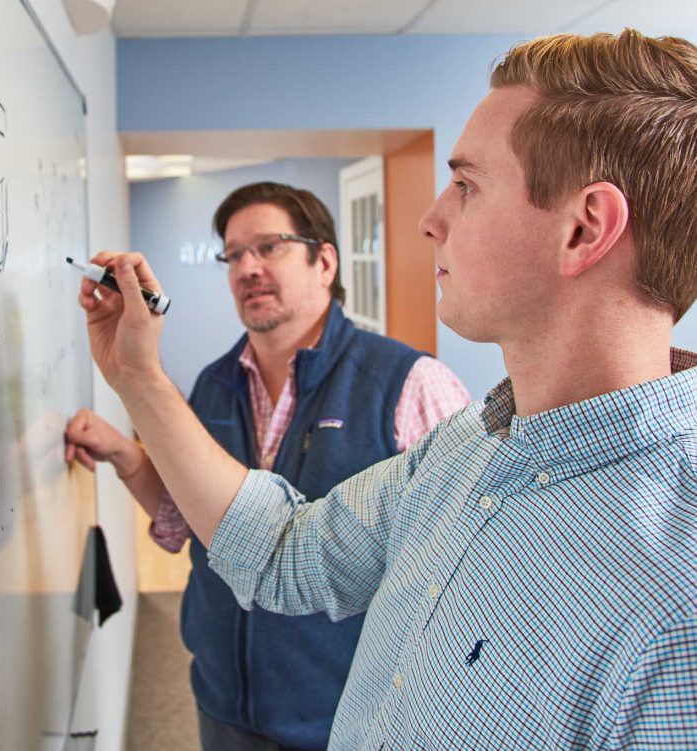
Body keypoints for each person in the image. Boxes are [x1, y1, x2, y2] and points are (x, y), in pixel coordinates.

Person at [76, 30, 697, 750]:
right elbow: (283, 552)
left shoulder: (675, 597)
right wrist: (137, 378)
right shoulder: (471, 443)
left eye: (466, 185)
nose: (432, 219)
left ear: (583, 229)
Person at [66, 182, 469, 750]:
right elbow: (188, 521)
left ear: (324, 260)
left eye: (269, 247)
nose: (246, 268)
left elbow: (451, 584)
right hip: (224, 701)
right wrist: (128, 455)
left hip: (345, 717)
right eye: (233, 255)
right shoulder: (213, 384)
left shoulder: (410, 386)